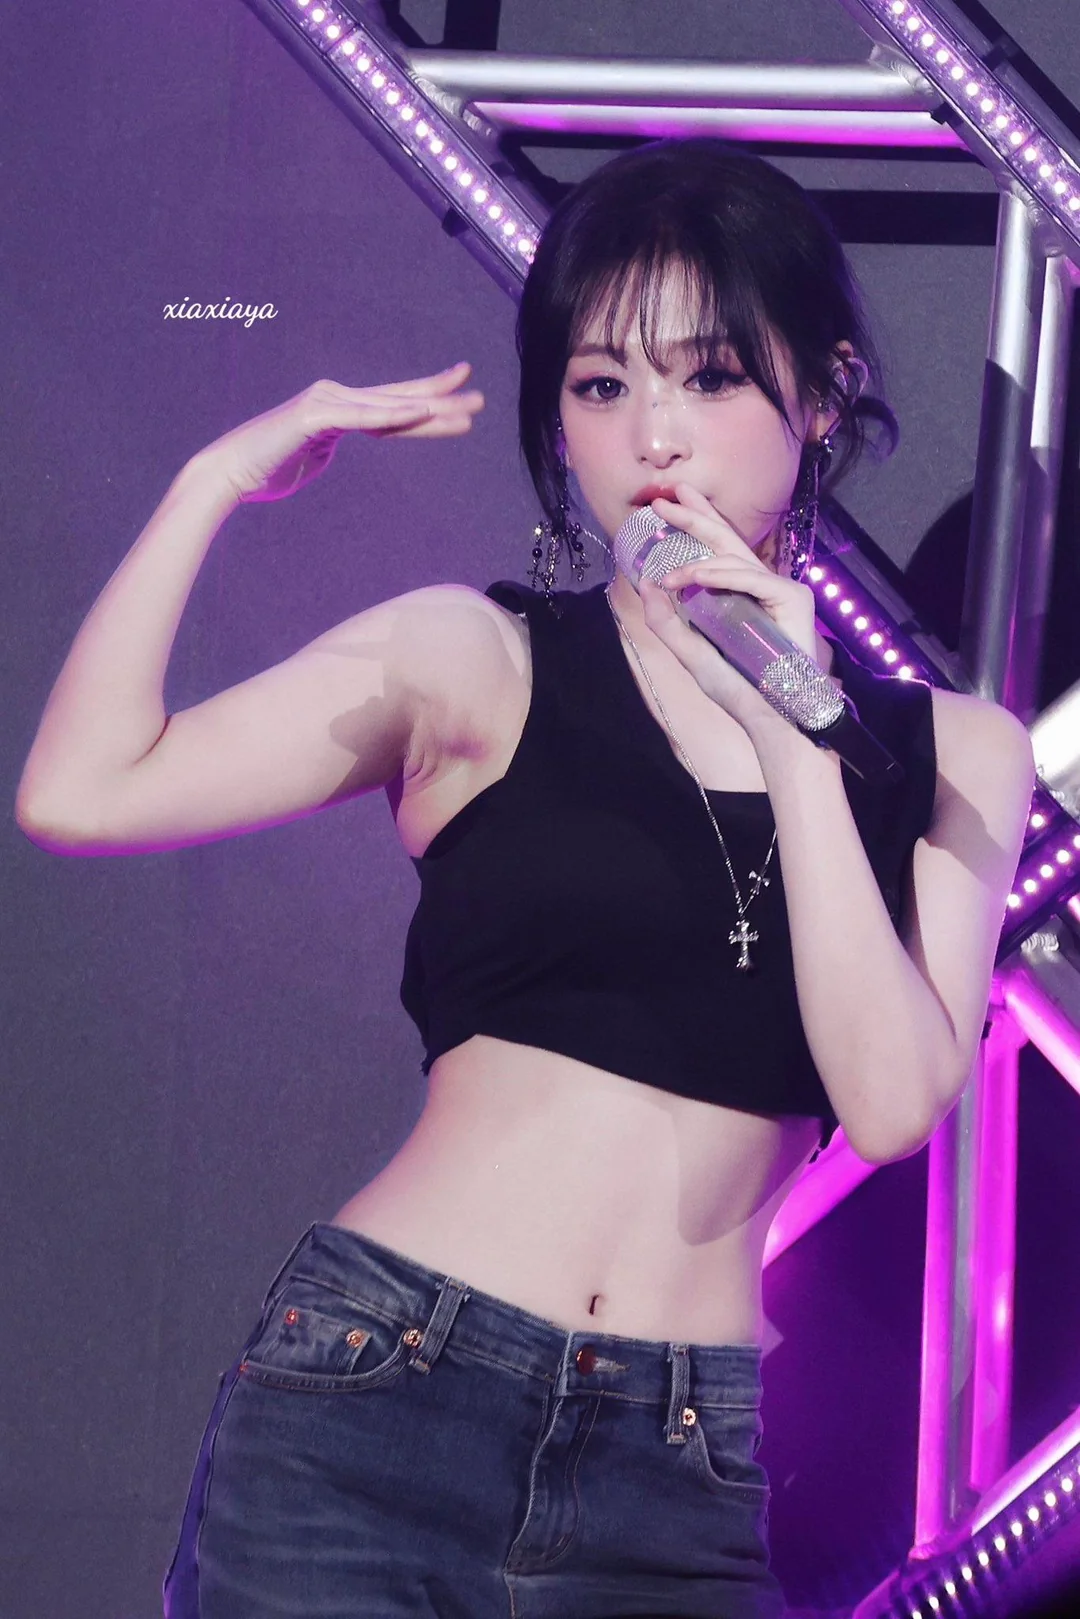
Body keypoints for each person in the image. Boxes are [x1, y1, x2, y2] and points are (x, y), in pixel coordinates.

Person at [16, 138, 1034, 1618]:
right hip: (377, 1396)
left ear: (821, 395)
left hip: (677, 1472)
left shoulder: (953, 753)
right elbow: (81, 790)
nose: (655, 437)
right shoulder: (479, 660)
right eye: (602, 385)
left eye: (709, 377)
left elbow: (888, 1102)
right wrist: (211, 481)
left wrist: (792, 722)